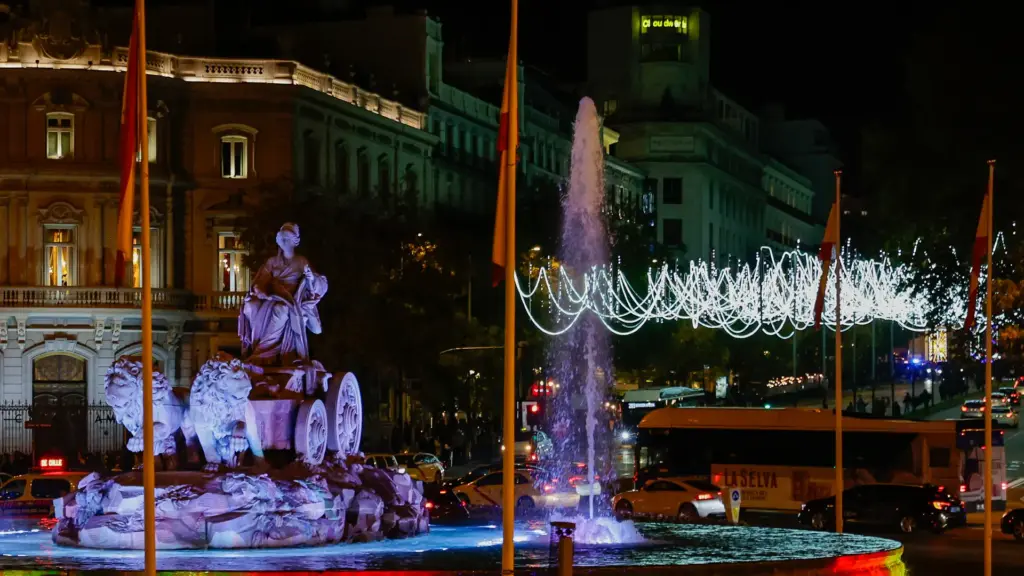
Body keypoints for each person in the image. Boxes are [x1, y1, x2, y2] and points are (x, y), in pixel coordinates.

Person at [238, 223, 328, 366]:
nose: (284, 242)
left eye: (287, 238)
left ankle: (262, 352)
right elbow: (261, 281)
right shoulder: (272, 262)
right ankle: (253, 347)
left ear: (294, 241)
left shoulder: (301, 261)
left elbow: (316, 283)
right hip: (272, 297)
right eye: (282, 238)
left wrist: (311, 278)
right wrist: (260, 291)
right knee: (250, 305)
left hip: (291, 300)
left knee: (281, 309)